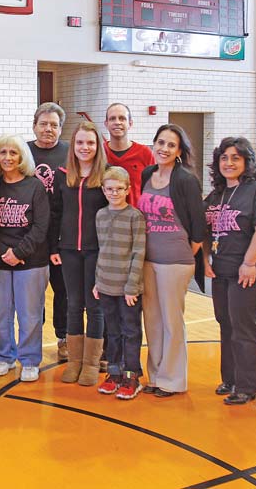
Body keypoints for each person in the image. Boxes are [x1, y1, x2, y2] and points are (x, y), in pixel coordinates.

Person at [204, 137, 256, 405]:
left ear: (246, 162)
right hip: (221, 270)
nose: (229, 163)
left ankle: (248, 385)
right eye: (224, 157)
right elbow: (203, 232)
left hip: (248, 271)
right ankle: (231, 378)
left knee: (242, 325)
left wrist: (249, 263)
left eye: (235, 158)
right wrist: (204, 261)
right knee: (225, 323)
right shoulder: (215, 195)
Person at [138, 124, 206, 398]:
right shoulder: (147, 174)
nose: (164, 149)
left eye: (171, 145)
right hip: (147, 259)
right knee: (152, 321)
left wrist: (184, 253)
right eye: (161, 143)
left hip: (175, 262)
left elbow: (199, 226)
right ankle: (154, 376)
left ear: (179, 151)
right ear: (154, 144)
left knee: (171, 321)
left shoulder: (185, 180)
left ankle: (173, 380)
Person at [50, 121, 108, 386]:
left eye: (90, 143)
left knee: (94, 306)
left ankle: (92, 363)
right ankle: (74, 362)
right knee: (74, 305)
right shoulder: (62, 175)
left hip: (97, 251)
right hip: (69, 251)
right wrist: (54, 246)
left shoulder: (107, 176)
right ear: (73, 146)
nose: (85, 148)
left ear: (98, 147)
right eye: (80, 143)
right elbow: (55, 213)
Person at [0, 135, 50, 382]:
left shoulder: (35, 186)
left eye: (13, 153)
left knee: (30, 314)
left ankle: (30, 360)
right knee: (1, 312)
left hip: (32, 261)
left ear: (22, 157)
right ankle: (4, 357)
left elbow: (41, 226)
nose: (7, 158)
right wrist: (5, 253)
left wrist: (19, 252)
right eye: (3, 153)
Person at [93, 167, 146, 399]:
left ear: (128, 189)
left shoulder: (135, 216)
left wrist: (132, 286)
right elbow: (101, 251)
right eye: (110, 189)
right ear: (104, 190)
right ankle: (113, 373)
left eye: (119, 189)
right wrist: (97, 282)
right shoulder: (101, 215)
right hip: (105, 285)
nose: (114, 193)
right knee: (112, 332)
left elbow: (138, 253)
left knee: (130, 331)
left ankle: (131, 374)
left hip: (128, 290)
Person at [28, 102, 69, 362]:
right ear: (34, 126)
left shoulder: (69, 152)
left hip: (61, 232)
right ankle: (33, 339)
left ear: (60, 129)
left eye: (54, 125)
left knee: (62, 289)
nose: (48, 129)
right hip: (30, 232)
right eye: (43, 124)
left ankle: (64, 337)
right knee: (33, 290)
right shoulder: (24, 151)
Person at [103, 103, 154, 207]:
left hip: (138, 219)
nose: (117, 122)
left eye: (122, 118)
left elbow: (154, 189)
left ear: (130, 123)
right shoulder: (99, 152)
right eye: (112, 118)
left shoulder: (145, 153)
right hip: (105, 220)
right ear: (106, 123)